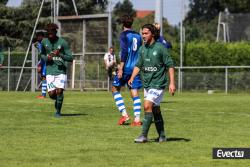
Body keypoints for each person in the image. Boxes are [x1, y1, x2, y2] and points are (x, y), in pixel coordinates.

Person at [128, 24, 176, 143]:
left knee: (147, 106)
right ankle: (162, 136)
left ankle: (143, 135)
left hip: (158, 84)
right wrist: (132, 77)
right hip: (147, 84)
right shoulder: (142, 49)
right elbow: (139, 65)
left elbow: (170, 65)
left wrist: (172, 83)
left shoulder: (160, 48)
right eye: (142, 33)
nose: (143, 36)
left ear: (153, 34)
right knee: (155, 110)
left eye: (146, 33)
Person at [112, 15, 143, 126]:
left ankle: (124, 114)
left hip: (126, 68)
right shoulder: (138, 36)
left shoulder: (124, 35)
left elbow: (124, 51)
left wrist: (120, 68)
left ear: (122, 24)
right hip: (136, 68)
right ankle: (137, 120)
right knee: (134, 92)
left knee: (115, 88)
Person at [40, 23, 73, 117]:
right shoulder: (44, 42)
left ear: (55, 32)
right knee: (51, 94)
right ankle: (58, 100)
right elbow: (42, 55)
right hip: (50, 71)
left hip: (61, 71)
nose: (50, 35)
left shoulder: (63, 42)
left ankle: (58, 112)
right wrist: (47, 59)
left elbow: (70, 58)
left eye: (51, 33)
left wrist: (60, 55)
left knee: (59, 91)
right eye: (48, 33)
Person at [35, 31, 47, 98]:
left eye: (40, 36)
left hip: (46, 62)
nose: (38, 37)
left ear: (43, 37)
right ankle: (43, 94)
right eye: (37, 36)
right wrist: (39, 64)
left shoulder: (44, 43)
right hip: (42, 62)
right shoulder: (38, 44)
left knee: (44, 76)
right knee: (42, 77)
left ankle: (43, 95)